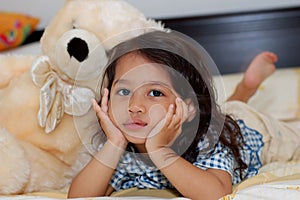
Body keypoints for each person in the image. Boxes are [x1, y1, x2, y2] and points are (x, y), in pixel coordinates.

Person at [67, 31, 299, 200]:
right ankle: (243, 91)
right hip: (213, 115)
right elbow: (79, 196)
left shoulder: (207, 141)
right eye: (125, 91)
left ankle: (245, 91)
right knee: (227, 109)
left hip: (252, 129)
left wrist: (161, 152)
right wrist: (115, 142)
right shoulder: (119, 149)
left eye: (155, 92)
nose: (135, 106)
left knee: (287, 139)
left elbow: (217, 192)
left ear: (186, 109)